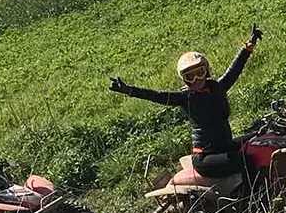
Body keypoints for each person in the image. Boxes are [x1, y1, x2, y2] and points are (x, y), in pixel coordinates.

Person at [110, 28, 261, 180]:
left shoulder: (217, 88)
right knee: (246, 161)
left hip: (224, 147)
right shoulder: (185, 97)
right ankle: (253, 198)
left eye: (199, 73)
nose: (196, 80)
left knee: (260, 136)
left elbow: (233, 71)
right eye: (190, 76)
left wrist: (248, 47)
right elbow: (157, 96)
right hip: (205, 158)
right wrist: (129, 90)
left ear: (206, 71)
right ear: (184, 80)